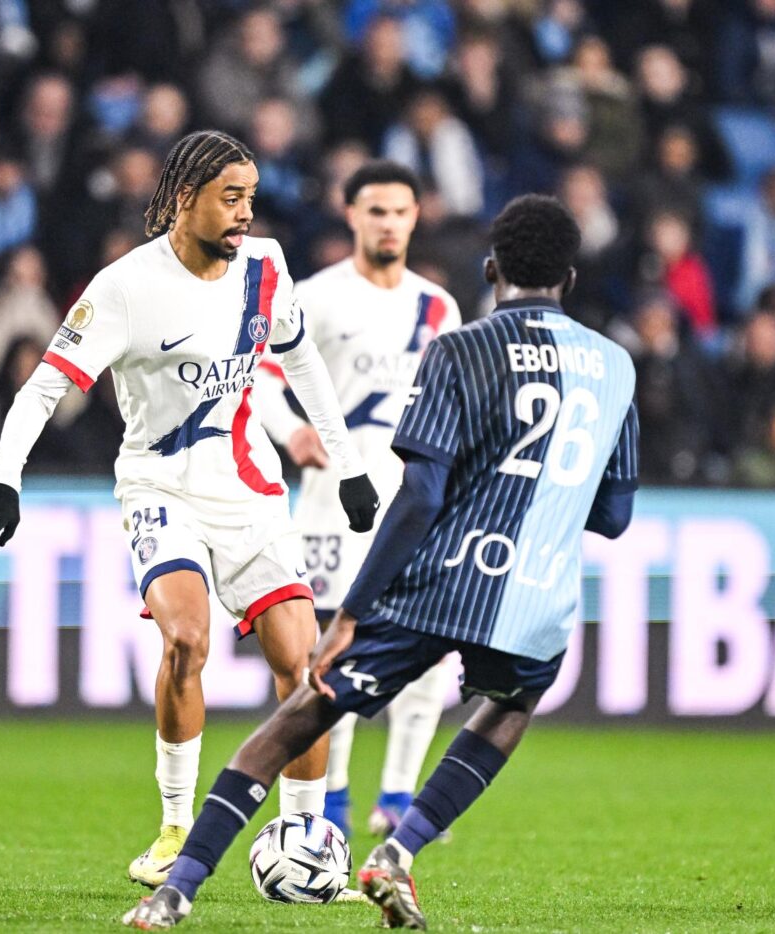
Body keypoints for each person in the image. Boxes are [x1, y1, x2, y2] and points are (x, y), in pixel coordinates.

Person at [124, 194, 639, 930]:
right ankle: (399, 849)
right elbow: (613, 517)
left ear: (491, 269)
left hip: (440, 578)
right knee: (511, 704)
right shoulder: (616, 367)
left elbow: (420, 495)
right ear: (572, 278)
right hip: (534, 596)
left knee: (302, 713)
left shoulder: (460, 347)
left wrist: (353, 614)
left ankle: (176, 891)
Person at [0, 130, 379, 888]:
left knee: (303, 666)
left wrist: (347, 465)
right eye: (230, 197)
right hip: (160, 488)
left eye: (251, 198)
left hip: (249, 491)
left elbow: (300, 360)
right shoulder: (124, 288)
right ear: (185, 198)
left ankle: (306, 839)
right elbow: (46, 385)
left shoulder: (265, 268)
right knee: (186, 639)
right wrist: (3, 478)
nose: (245, 213)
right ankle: (176, 829)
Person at [252, 160, 461, 841]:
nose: (389, 223)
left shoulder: (439, 307)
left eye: (400, 211)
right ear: (351, 216)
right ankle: (333, 802)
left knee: (429, 652)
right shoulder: (314, 298)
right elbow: (258, 378)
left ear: (415, 217)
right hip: (334, 506)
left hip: (416, 506)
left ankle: (397, 795)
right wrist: (291, 431)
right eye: (376, 211)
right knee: (328, 656)